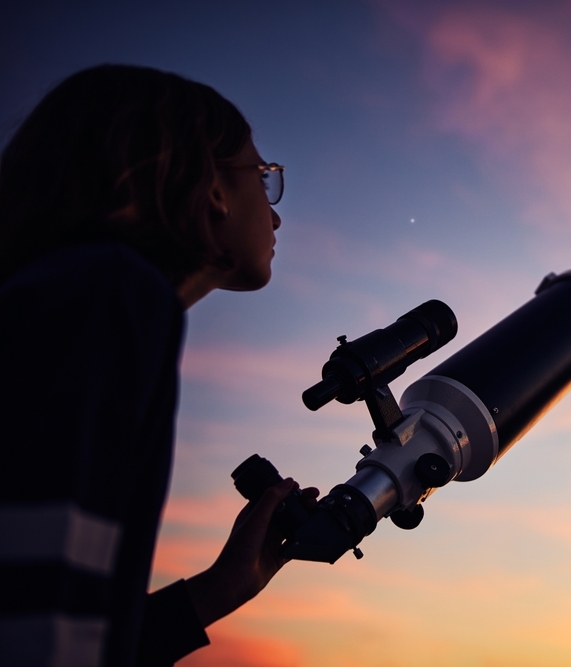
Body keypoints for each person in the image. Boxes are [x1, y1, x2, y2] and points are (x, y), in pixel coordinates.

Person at [0, 64, 317, 666]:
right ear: (215, 187)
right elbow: (38, 627)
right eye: (262, 177)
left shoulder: (78, 293)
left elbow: (60, 609)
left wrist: (226, 585)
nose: (273, 216)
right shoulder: (108, 293)